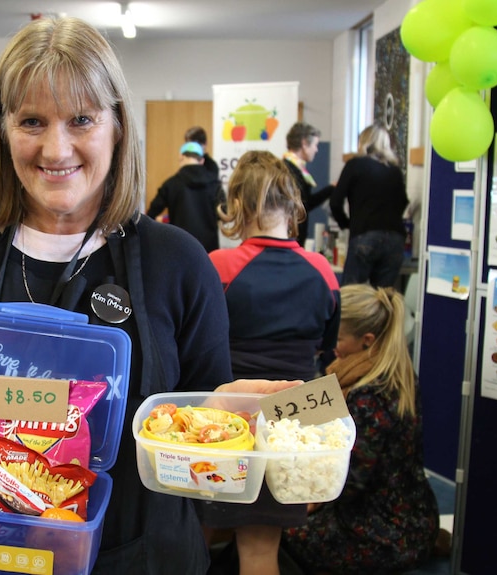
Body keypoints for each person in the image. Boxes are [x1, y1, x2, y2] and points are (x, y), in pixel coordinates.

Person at [0, 17, 296, 575]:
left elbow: (195, 414)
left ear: (117, 126)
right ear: (2, 129)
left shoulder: (178, 261)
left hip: (139, 554)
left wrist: (233, 425)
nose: (55, 147)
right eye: (32, 121)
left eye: (82, 120)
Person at [201, 150, 340, 575]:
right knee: (261, 553)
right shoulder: (325, 271)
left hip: (234, 417)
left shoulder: (218, 265)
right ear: (294, 204)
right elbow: (327, 356)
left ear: (238, 205)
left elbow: (197, 351)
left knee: (192, 544)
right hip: (300, 421)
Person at [280, 284, 439, 574]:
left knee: (268, 530)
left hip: (381, 531)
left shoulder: (370, 396)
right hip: (410, 515)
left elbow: (348, 480)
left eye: (338, 338)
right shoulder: (392, 372)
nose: (332, 345)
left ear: (366, 340)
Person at [329, 124, 409, 288]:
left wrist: (347, 224)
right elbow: (403, 203)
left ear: (363, 142)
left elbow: (335, 202)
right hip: (395, 238)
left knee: (352, 297)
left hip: (365, 235)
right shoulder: (394, 170)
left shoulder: (355, 165)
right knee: (382, 299)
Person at [147, 141, 224, 252]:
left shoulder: (171, 184)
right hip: (209, 251)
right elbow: (222, 214)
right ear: (201, 161)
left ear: (182, 157)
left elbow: (151, 213)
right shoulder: (214, 184)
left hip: (180, 247)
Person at [282, 122, 333, 246]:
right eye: (315, 145)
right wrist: (330, 189)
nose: (316, 150)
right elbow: (304, 204)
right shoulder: (290, 171)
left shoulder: (294, 168)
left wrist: (330, 189)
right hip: (291, 239)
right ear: (304, 144)